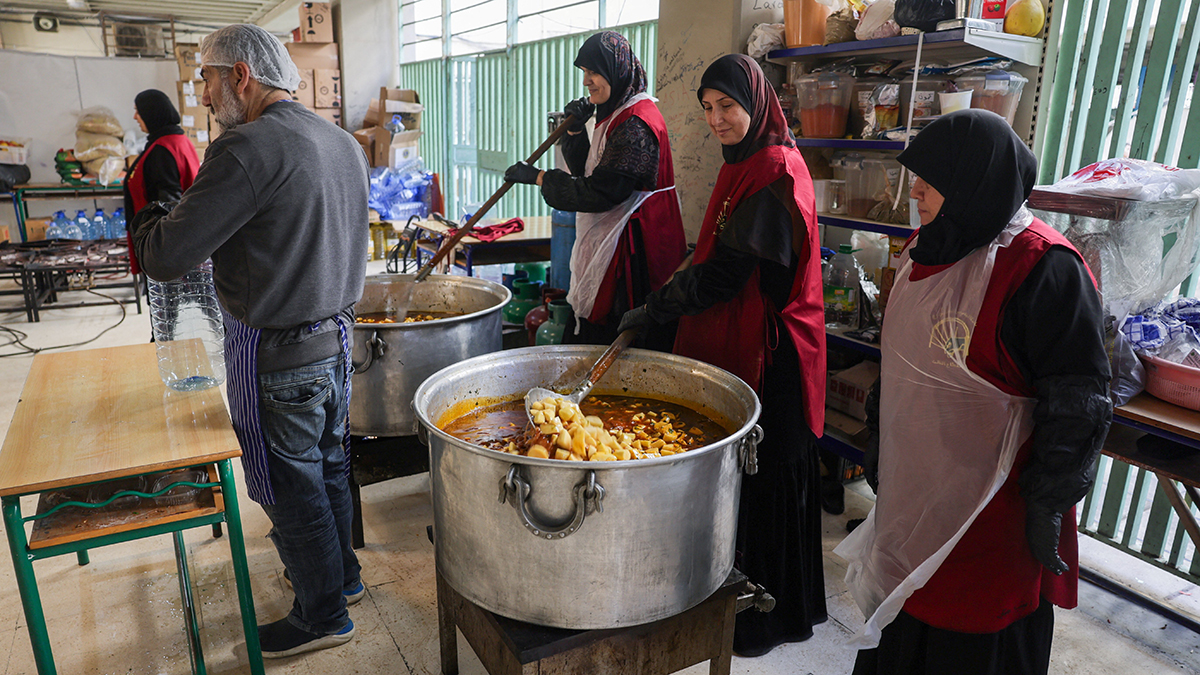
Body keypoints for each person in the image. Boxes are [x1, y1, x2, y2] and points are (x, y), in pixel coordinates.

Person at [839, 110, 1112, 675]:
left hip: (993, 510)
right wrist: (879, 436)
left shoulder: (1044, 268)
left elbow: (1078, 401)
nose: (914, 190)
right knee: (907, 612)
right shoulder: (924, 249)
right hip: (916, 488)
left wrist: (1048, 499)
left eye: (931, 179)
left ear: (975, 181)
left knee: (971, 637)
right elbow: (903, 361)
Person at [131, 24, 369, 659]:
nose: (203, 96)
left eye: (207, 78)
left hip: (281, 355)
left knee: (293, 487)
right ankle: (342, 579)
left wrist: (156, 216)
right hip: (338, 344)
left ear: (241, 75)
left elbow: (169, 257)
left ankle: (322, 616)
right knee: (329, 466)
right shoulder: (342, 142)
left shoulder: (245, 149)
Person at [617, 53, 828, 656]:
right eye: (708, 108)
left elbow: (724, 274)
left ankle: (773, 617)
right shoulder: (744, 163)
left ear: (756, 105)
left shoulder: (776, 172)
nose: (716, 119)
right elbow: (709, 254)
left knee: (770, 478)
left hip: (777, 349)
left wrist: (656, 307)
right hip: (745, 335)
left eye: (727, 107)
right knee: (747, 478)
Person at [503, 30, 687, 349]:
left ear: (617, 70)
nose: (587, 81)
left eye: (593, 71)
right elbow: (590, 169)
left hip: (637, 248)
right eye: (585, 73)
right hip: (616, 236)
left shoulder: (637, 124)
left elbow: (600, 192)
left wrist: (540, 177)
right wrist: (575, 129)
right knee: (602, 335)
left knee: (626, 339)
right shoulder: (617, 113)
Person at [122, 89, 199, 277]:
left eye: (138, 111)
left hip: (165, 251)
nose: (135, 117)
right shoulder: (177, 141)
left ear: (152, 113)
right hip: (179, 247)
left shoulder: (162, 150)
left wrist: (161, 254)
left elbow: (168, 205)